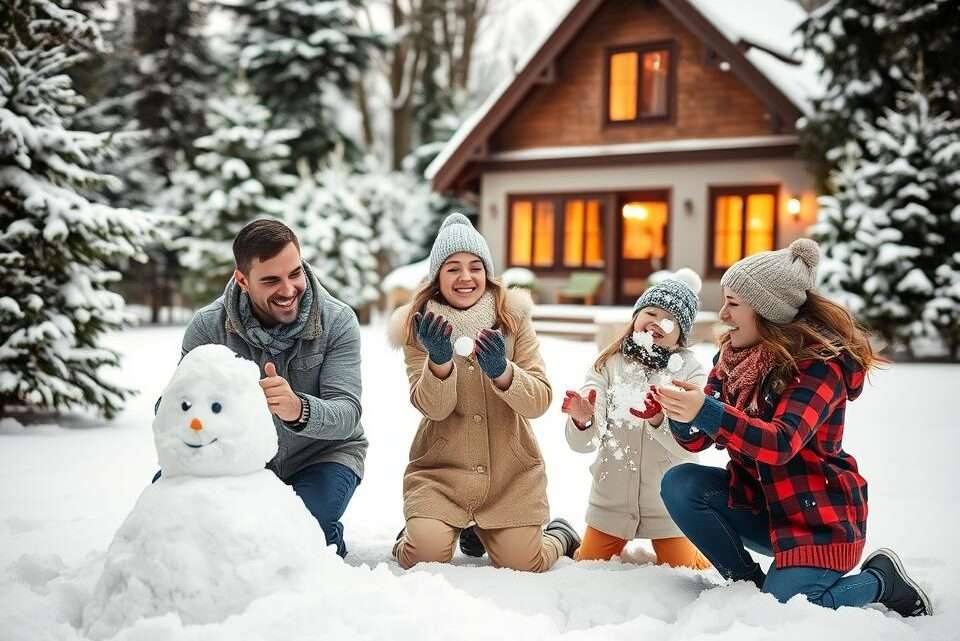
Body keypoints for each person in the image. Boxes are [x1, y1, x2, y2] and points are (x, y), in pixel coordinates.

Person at [656, 239, 932, 616]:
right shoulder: (734, 358)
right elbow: (699, 438)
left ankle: (882, 581)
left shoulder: (819, 367)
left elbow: (781, 442)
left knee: (791, 610)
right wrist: (676, 410)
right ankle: (747, 589)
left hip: (818, 523)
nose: (722, 314)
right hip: (763, 509)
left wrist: (708, 410)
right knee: (681, 484)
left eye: (733, 304)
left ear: (768, 311)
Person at [388, 213, 579, 571]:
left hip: (510, 477)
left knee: (527, 564)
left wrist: (502, 371)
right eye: (453, 268)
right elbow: (433, 408)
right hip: (442, 474)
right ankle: (421, 529)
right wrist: (439, 361)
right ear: (437, 278)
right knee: (423, 557)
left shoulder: (513, 318)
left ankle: (559, 534)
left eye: (475, 267)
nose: (465, 277)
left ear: (487, 273)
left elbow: (539, 401)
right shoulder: (419, 326)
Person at [179, 219, 367, 558]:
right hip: (239, 461)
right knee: (176, 514)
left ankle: (324, 535)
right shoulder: (208, 327)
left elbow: (348, 415)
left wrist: (299, 409)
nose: (289, 289)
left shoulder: (338, 321)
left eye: (294, 273)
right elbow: (174, 409)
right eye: (271, 280)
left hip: (321, 455)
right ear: (242, 280)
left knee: (302, 534)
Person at [562, 269, 710, 568]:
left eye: (669, 319)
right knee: (589, 565)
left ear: (681, 334)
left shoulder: (690, 371)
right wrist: (584, 419)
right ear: (635, 317)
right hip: (612, 500)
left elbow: (692, 441)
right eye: (651, 312)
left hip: (667, 505)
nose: (657, 321)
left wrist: (659, 419)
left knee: (683, 570)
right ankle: (567, 538)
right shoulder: (609, 363)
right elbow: (586, 438)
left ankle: (703, 551)